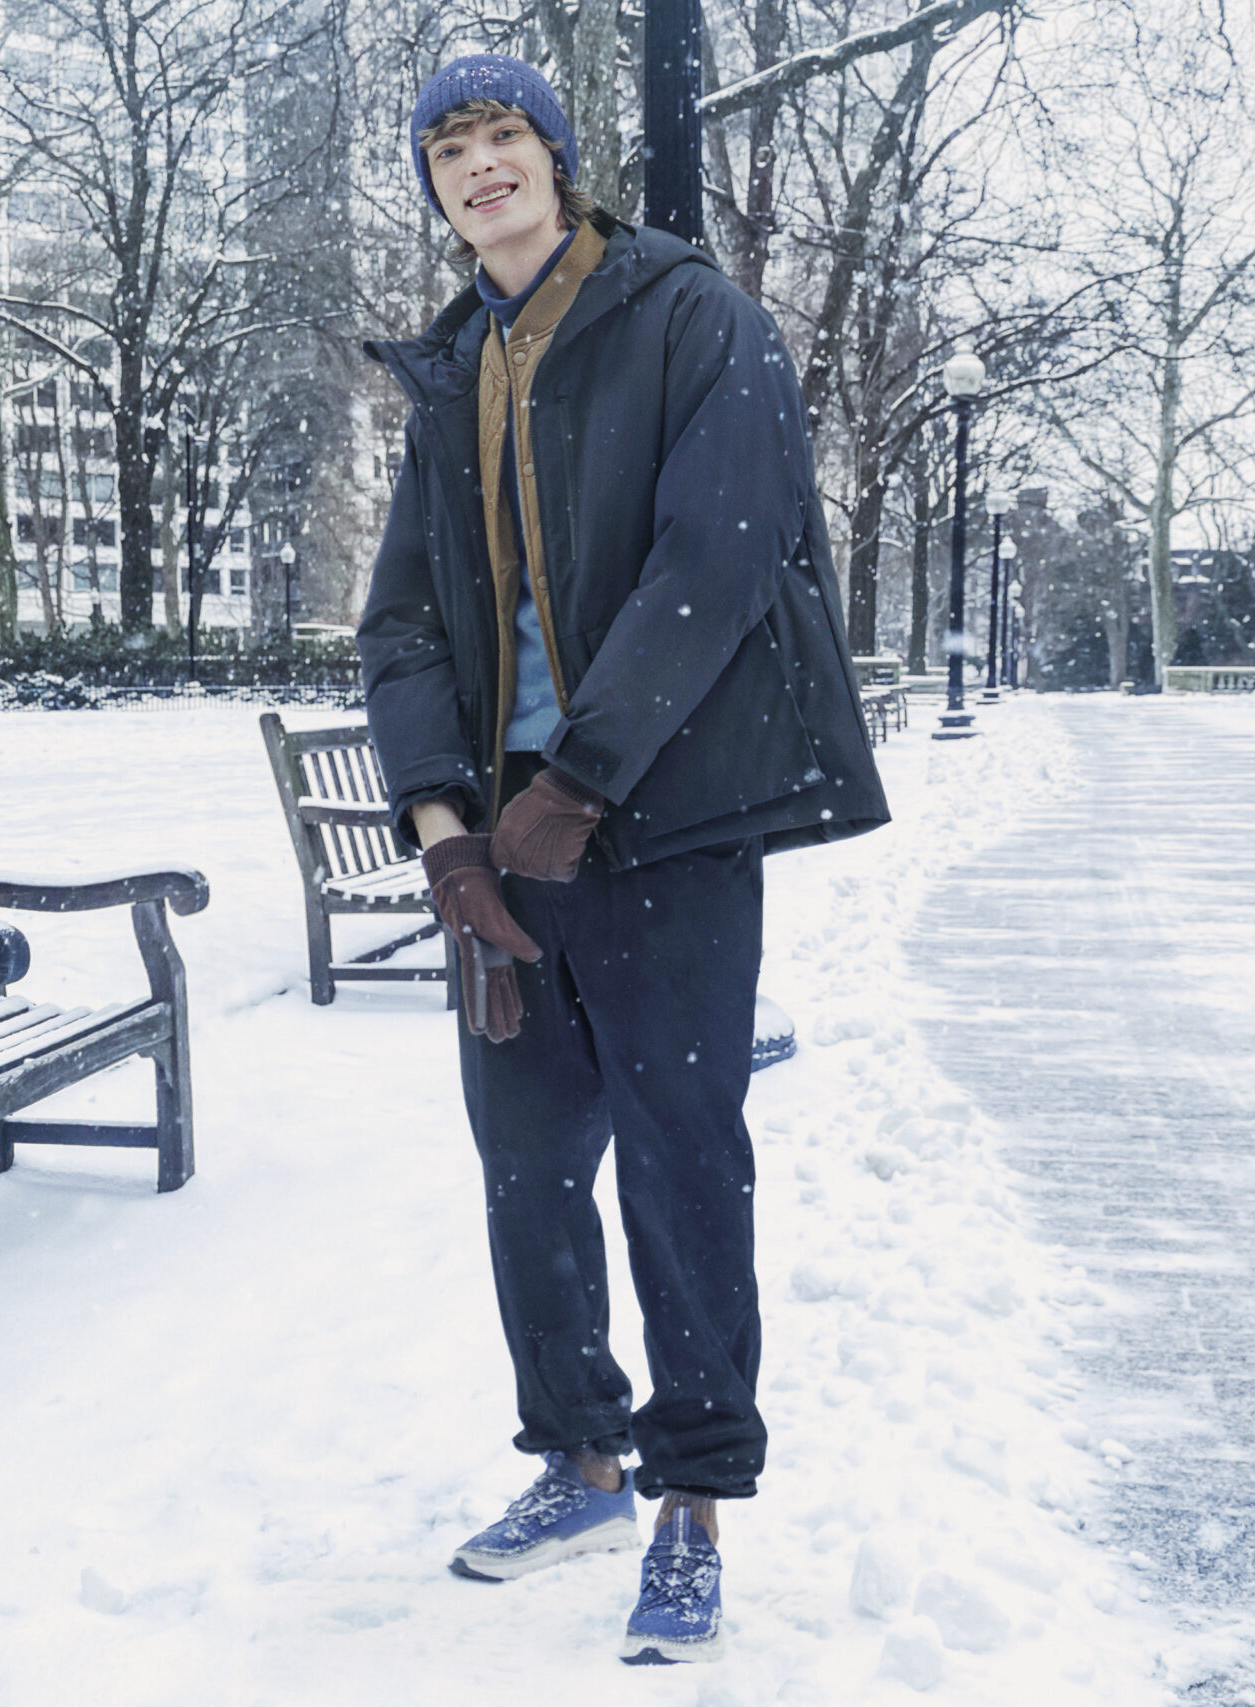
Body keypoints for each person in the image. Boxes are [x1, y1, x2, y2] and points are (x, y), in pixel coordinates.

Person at [357, 53, 889, 1665]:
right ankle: (579, 1460)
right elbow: (401, 623)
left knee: (678, 1164)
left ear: (557, 155)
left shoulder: (692, 317)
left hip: (670, 821)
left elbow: (720, 557)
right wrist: (446, 828)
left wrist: (582, 782)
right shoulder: (456, 368)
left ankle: (692, 1503)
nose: (479, 164)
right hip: (503, 841)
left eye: (503, 134)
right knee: (527, 1172)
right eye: (449, 148)